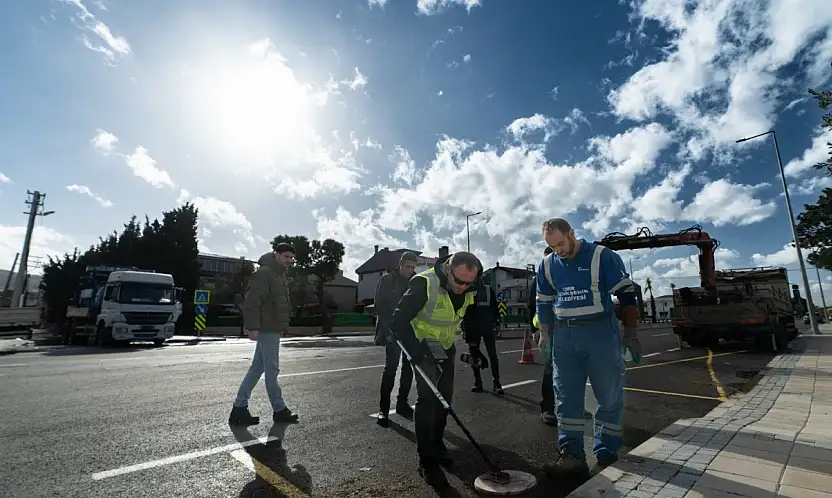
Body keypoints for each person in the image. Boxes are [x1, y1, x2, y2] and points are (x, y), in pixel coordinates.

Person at [535, 218, 641, 475]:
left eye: (561, 243)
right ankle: (571, 454)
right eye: (553, 246)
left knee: (608, 395)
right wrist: (545, 334)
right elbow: (544, 301)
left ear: (572, 233)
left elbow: (626, 294)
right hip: (564, 337)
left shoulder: (602, 257)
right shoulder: (548, 265)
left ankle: (607, 451)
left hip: (599, 332)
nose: (559, 250)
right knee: (566, 398)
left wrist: (631, 333)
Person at [388, 251, 483, 487]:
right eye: (459, 281)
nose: (463, 287)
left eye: (468, 282)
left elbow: (469, 318)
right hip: (422, 346)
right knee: (428, 400)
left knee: (445, 399)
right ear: (448, 270)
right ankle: (427, 460)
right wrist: (417, 352)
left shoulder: (471, 286)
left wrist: (474, 347)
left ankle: (438, 443)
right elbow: (398, 320)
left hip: (446, 347)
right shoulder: (424, 283)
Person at [229, 243, 300, 426]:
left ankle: (239, 409)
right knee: (272, 370)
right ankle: (279, 409)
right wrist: (252, 327)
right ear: (276, 254)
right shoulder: (265, 273)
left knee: (256, 369)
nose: (289, 261)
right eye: (286, 256)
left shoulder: (278, 275)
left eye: (291, 258)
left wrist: (282, 326)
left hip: (272, 328)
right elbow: (252, 301)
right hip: (267, 329)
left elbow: (277, 304)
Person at [374, 252, 419, 427]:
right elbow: (380, 305)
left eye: (413, 267)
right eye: (407, 266)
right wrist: (388, 329)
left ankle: (402, 403)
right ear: (400, 264)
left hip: (409, 330)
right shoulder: (387, 280)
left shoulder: (416, 281)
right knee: (391, 368)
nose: (410, 270)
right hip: (391, 329)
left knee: (409, 368)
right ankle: (383, 410)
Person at [462, 269, 503, 395]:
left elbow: (494, 308)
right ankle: (478, 382)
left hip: (487, 327)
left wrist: (497, 324)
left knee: (493, 355)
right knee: (474, 356)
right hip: (472, 329)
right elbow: (463, 312)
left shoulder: (487, 290)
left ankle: (496, 382)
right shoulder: (466, 291)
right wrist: (464, 329)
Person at [530, 246, 557, 426]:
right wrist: (535, 331)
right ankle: (547, 407)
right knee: (550, 369)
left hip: (568, 329)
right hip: (547, 330)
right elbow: (531, 304)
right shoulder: (539, 278)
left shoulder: (567, 275)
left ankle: (571, 406)